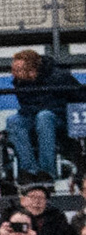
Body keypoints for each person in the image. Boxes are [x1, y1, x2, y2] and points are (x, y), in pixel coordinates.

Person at [7, 49, 78, 183]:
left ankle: (46, 172)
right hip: (32, 115)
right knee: (13, 120)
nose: (13, 73)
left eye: (17, 69)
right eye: (13, 69)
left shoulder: (59, 77)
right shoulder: (20, 81)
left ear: (31, 70)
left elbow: (79, 96)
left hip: (59, 118)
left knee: (44, 116)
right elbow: (25, 107)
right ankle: (30, 170)